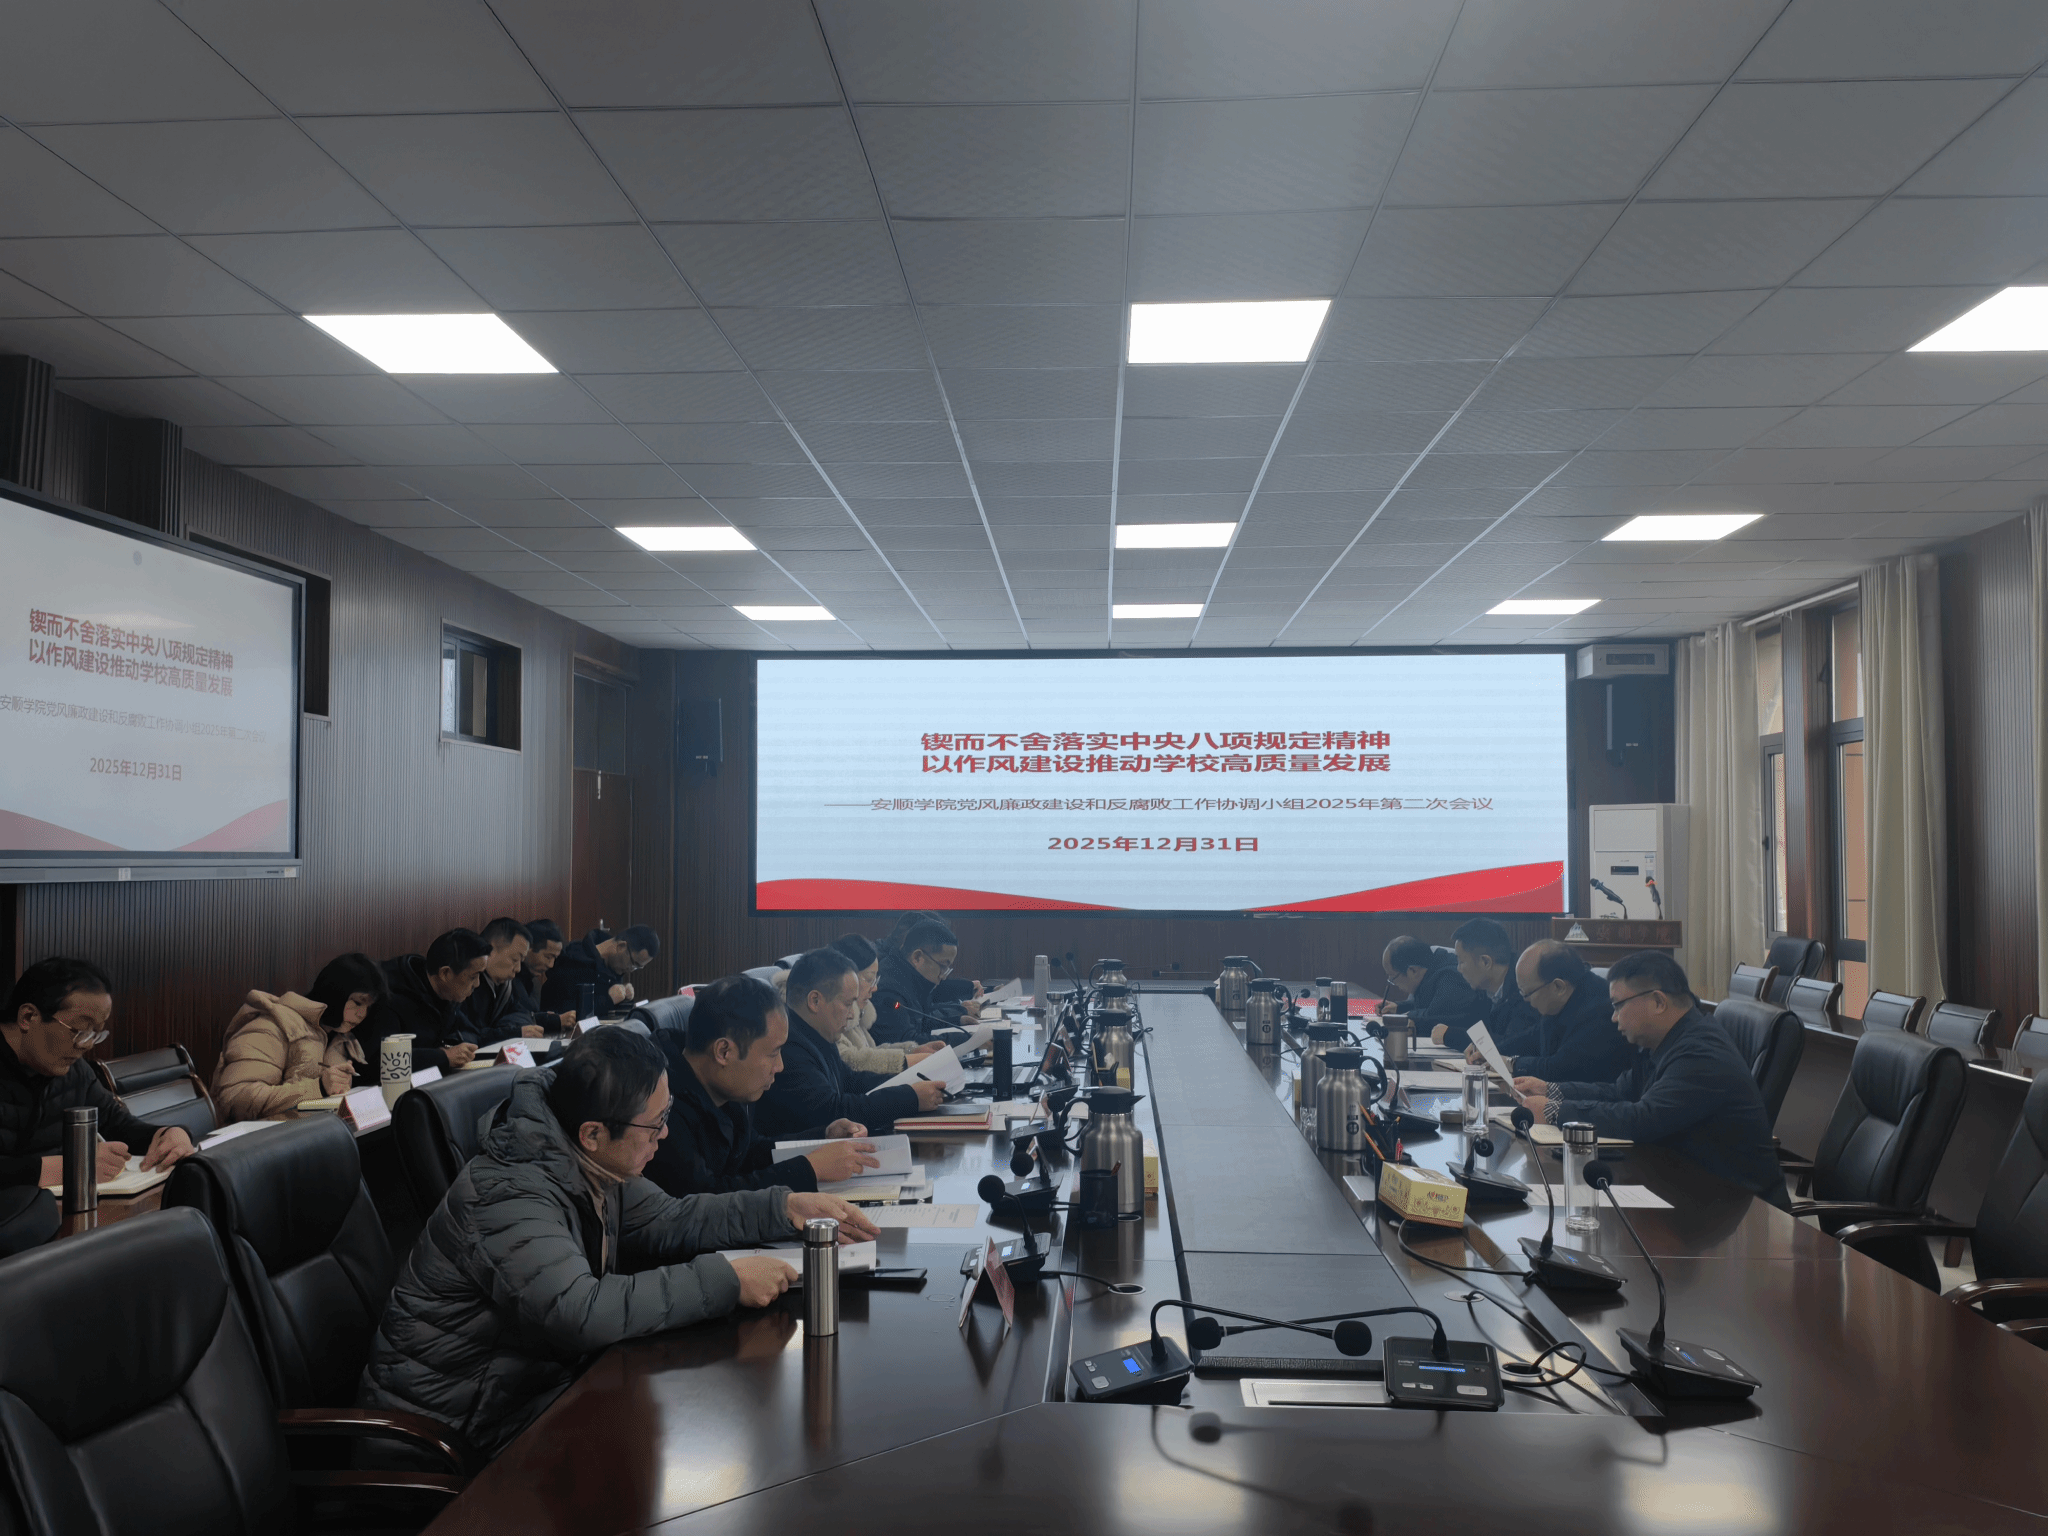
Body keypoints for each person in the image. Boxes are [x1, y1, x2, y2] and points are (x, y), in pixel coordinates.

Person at [358, 1028, 877, 1458]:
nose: (664, 1136)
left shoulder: (579, 1157)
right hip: (455, 1433)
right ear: (593, 1134)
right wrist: (726, 1279)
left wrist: (783, 1206)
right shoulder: (509, 1194)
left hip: (533, 1394)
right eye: (655, 1125)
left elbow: (670, 1217)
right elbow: (580, 1311)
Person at [1511, 951, 1789, 1211]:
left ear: (1658, 1002)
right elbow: (1619, 1092)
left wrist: (1554, 1111)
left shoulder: (1700, 1053)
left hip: (1737, 1206)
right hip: (1685, 1183)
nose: (1613, 1017)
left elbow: (1643, 1119)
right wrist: (1551, 1090)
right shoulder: (1664, 1041)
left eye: (1618, 1005)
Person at [0, 958, 196, 1256]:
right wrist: (68, 1169)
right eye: (78, 1030)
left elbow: (120, 1125)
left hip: (61, 1231)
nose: (86, 1045)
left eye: (96, 1033)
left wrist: (172, 1134)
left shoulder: (74, 1071)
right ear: (28, 1017)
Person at [646, 974, 881, 1197]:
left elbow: (749, 1152)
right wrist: (810, 1169)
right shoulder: (661, 1106)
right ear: (724, 1052)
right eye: (773, 1053)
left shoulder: (722, 1086)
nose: (780, 1066)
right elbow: (706, 1198)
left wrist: (824, 1137)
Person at [758, 948, 945, 1135]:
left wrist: (912, 1083)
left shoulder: (816, 1032)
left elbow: (851, 1081)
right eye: (848, 1004)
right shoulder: (788, 1046)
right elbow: (832, 1111)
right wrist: (910, 1098)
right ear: (815, 1001)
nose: (851, 1014)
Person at [213, 951, 385, 1122]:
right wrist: (319, 1087)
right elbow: (235, 1099)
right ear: (336, 991)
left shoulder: (340, 1038)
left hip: (313, 1132)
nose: (362, 1014)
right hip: (262, 1137)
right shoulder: (270, 1026)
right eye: (357, 1003)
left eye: (368, 1007)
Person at [1482, 940, 1635, 1086]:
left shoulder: (1599, 1012)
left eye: (1527, 993)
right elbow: (1534, 1036)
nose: (1525, 1000)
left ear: (1558, 987)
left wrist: (1511, 1064)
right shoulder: (1567, 996)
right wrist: (1491, 1051)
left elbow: (1559, 1069)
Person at [369, 929, 490, 1075]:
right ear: (445, 973)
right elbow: (380, 1059)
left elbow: (471, 1032)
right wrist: (443, 1056)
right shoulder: (390, 996)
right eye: (473, 977)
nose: (477, 984)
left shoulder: (447, 993)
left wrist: (452, 1046)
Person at [824, 933, 944, 1076]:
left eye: (876, 980)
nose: (875, 988)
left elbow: (871, 1052)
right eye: (869, 979)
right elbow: (852, 1061)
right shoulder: (831, 1018)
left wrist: (913, 1050)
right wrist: (906, 1061)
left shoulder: (857, 1019)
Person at [871, 916, 976, 1043]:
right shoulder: (890, 990)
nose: (943, 976)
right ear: (917, 957)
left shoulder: (909, 977)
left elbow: (919, 1024)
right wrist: (970, 1040)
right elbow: (907, 1042)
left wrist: (957, 1021)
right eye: (943, 966)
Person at [1432, 918, 1530, 1051]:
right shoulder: (1483, 988)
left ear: (1485, 962)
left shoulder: (1524, 988)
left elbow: (1513, 1044)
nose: (1459, 969)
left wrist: (1451, 1036)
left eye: (1461, 962)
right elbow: (1467, 1022)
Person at [1378, 935, 1482, 1040]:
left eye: (1393, 977)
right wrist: (1399, 1007)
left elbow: (1434, 1016)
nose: (1393, 983)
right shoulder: (1432, 966)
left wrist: (1406, 1018)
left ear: (1413, 970)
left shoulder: (1450, 976)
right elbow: (1431, 1004)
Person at [544, 924, 658, 1016]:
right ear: (621, 946)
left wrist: (625, 997)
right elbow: (565, 1012)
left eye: (638, 967)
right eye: (633, 963)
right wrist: (608, 1000)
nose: (631, 970)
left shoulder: (613, 968)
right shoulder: (573, 961)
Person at [464, 917, 546, 1044]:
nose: (518, 969)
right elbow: (470, 1034)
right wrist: (512, 1032)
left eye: (521, 962)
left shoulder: (504, 985)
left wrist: (508, 1030)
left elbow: (522, 1014)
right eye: (514, 960)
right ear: (490, 950)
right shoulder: (465, 984)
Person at [517, 918, 576, 1033]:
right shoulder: (507, 980)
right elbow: (515, 1019)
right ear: (528, 948)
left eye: (555, 958)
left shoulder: (534, 983)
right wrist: (553, 1020)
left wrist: (545, 1017)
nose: (551, 965)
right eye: (548, 957)